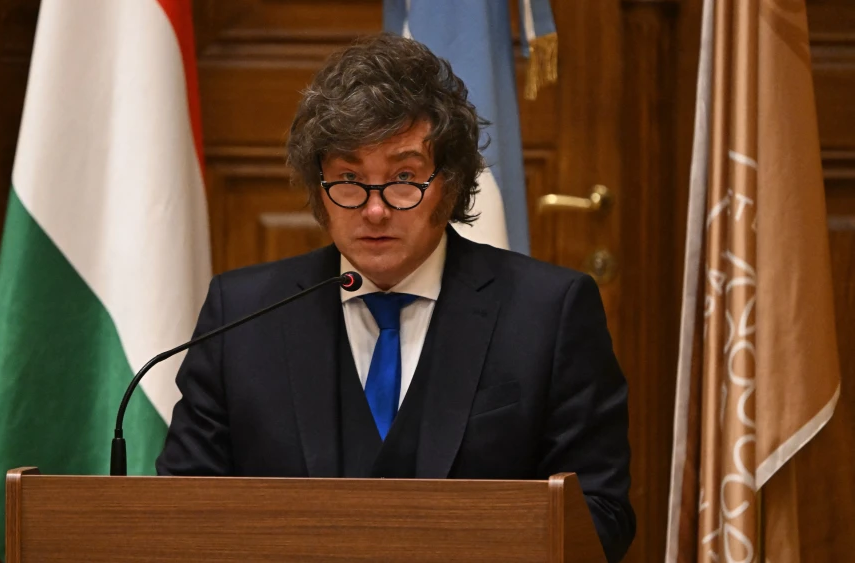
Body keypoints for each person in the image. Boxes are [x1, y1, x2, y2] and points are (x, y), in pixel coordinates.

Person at [156, 33, 635, 562]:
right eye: (349, 178)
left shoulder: (549, 311)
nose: (375, 209)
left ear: (449, 183)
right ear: (319, 188)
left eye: (404, 177)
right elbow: (183, 505)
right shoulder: (242, 314)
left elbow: (600, 514)